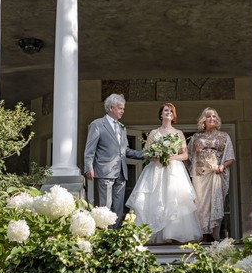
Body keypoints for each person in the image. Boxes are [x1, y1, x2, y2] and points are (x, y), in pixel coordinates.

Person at [126, 103, 202, 244]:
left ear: (173, 116)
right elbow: (147, 152)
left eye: (171, 111)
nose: (168, 113)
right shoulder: (154, 133)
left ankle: (171, 234)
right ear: (161, 114)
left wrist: (171, 157)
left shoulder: (178, 133)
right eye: (166, 111)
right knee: (155, 199)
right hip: (156, 170)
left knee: (173, 200)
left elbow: (185, 155)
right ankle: (150, 234)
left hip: (174, 171)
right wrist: (156, 156)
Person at [84, 93, 144, 227]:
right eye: (120, 108)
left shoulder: (122, 127)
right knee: (106, 207)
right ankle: (105, 237)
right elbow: (90, 149)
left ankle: (115, 236)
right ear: (111, 108)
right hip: (105, 172)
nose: (122, 111)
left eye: (123, 109)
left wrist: (145, 154)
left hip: (121, 172)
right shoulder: (98, 124)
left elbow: (125, 150)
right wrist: (89, 167)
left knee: (118, 208)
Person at [188, 107, 235, 242]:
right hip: (200, 173)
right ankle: (202, 234)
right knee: (200, 202)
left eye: (214, 116)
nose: (212, 119)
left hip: (215, 173)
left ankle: (214, 234)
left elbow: (230, 156)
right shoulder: (197, 137)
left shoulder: (224, 136)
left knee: (215, 201)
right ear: (204, 120)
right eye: (209, 116)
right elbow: (189, 155)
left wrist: (222, 166)